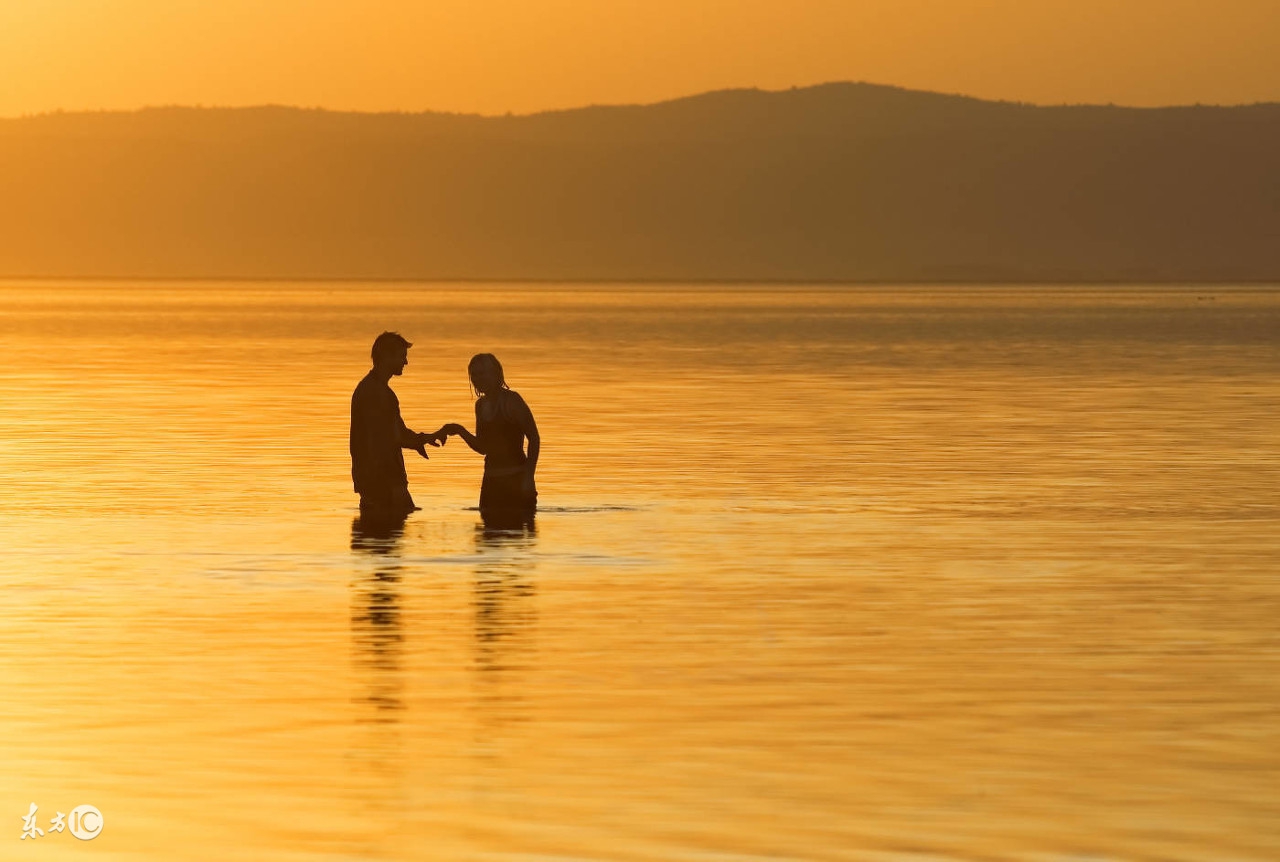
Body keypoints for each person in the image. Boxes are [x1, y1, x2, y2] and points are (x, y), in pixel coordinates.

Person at [350, 331, 444, 519]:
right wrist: (394, 485)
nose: (406, 362)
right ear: (386, 357)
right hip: (383, 481)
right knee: (389, 535)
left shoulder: (377, 390)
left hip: (375, 481)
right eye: (402, 356)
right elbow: (388, 439)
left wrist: (422, 439)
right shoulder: (377, 393)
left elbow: (396, 433)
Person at [439, 354, 539, 522]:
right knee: (487, 541)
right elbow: (483, 448)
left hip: (516, 480)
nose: (478, 379)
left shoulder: (512, 401)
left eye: (482, 373)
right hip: (491, 482)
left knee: (516, 540)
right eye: (474, 375)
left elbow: (534, 438)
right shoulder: (480, 406)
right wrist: (460, 430)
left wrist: (528, 477)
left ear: (496, 374)